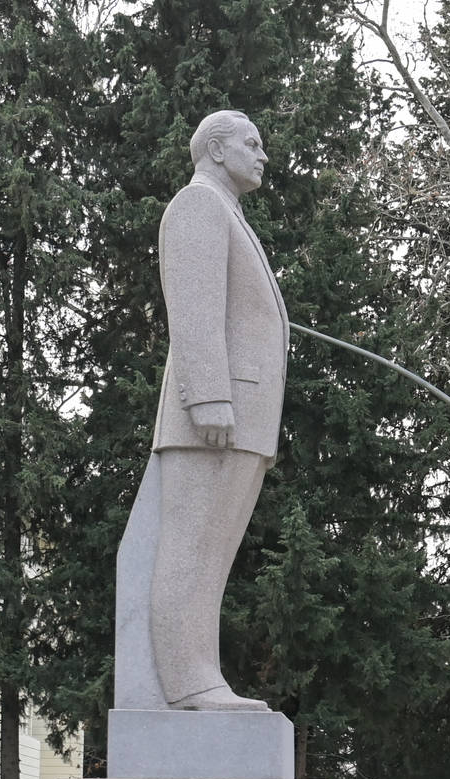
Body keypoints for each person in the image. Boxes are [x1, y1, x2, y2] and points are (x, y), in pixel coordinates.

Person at [147, 109, 288, 711]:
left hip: (243, 413)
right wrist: (208, 395)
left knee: (214, 553)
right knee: (193, 545)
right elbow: (194, 308)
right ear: (216, 149)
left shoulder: (226, 211)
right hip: (214, 412)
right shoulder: (198, 205)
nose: (263, 156)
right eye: (251, 145)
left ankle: (199, 676)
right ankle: (188, 681)